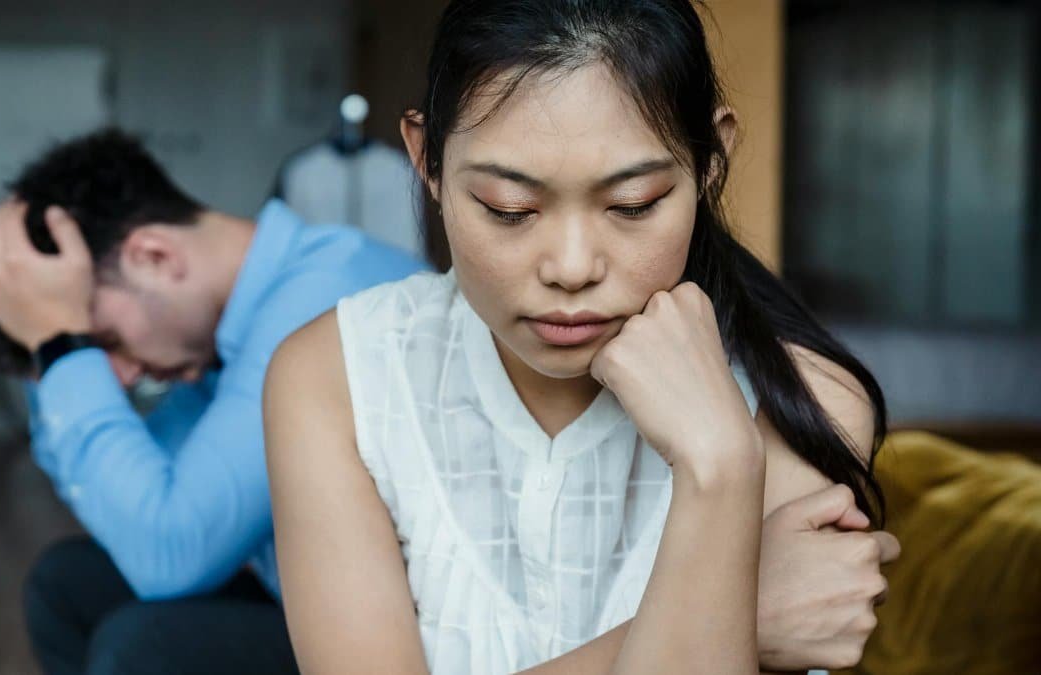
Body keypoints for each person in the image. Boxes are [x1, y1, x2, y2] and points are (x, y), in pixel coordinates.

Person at [264, 1, 900, 674]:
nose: (571, 268)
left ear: (711, 162)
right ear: (427, 161)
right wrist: (743, 611)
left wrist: (720, 463)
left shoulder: (807, 400)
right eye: (510, 210)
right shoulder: (339, 377)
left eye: (633, 205)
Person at [0, 129, 425, 674]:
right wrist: (51, 354)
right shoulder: (214, 345)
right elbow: (127, 510)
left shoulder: (323, 296)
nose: (119, 379)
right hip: (318, 609)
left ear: (155, 256)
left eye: (104, 341)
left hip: (402, 643)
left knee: (146, 647)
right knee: (65, 584)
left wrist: (61, 347)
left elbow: (170, 554)